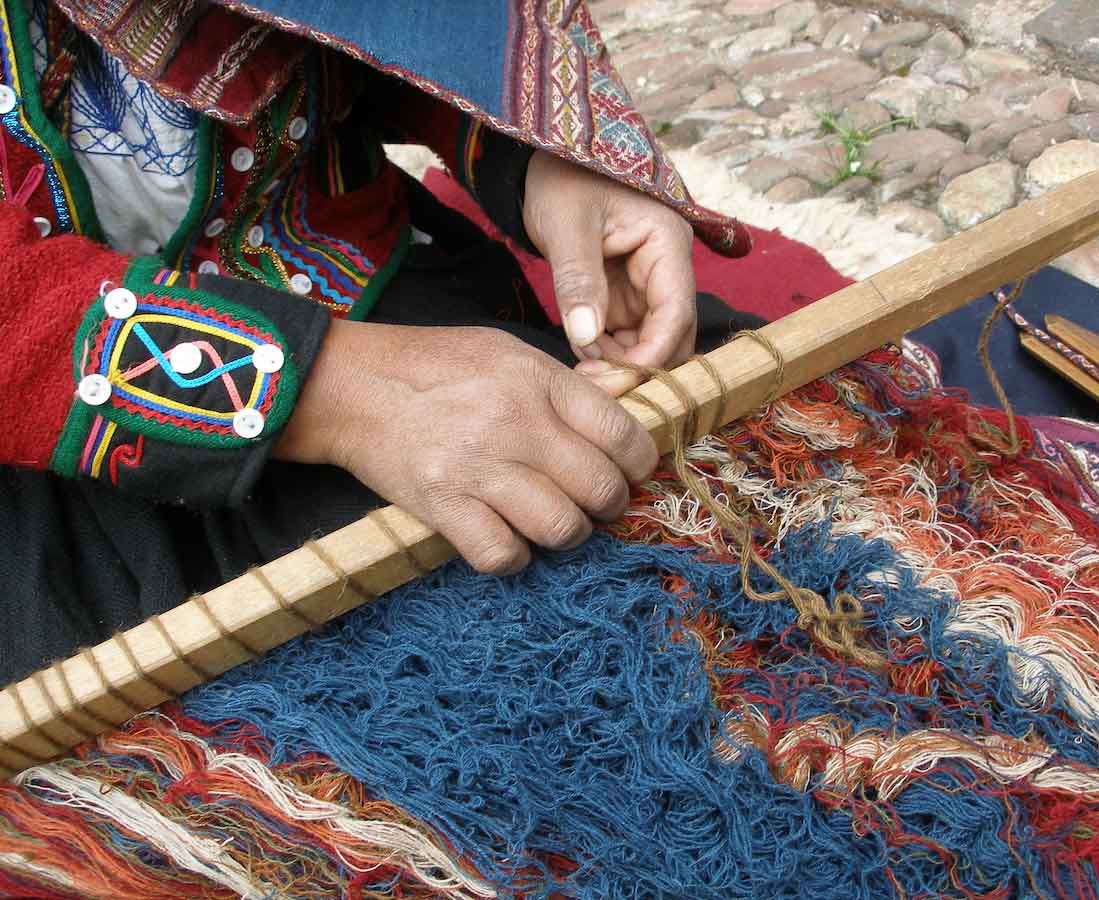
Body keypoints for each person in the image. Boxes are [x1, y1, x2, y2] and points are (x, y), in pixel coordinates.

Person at [0, 0, 759, 682]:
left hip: (343, 269)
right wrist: (335, 391)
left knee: (712, 491)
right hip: (45, 454)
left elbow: (391, 20)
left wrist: (538, 159)